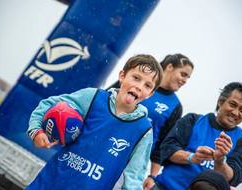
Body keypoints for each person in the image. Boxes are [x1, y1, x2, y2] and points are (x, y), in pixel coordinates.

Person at [26, 54, 163, 190]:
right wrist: (36, 131)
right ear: (122, 75)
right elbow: (48, 105)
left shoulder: (143, 130)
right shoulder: (93, 97)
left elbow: (134, 177)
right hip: (48, 184)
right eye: (136, 78)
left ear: (150, 94)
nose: (139, 86)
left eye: (147, 85)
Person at [108, 54, 194, 189]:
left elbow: (163, 143)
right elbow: (105, 100)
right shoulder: (134, 81)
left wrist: (152, 175)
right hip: (107, 142)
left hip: (133, 160)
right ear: (170, 67)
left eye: (187, 78)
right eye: (183, 74)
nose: (184, 80)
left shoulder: (175, 106)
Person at [150, 82, 242, 190]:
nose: (235, 112)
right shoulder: (192, 120)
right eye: (232, 104)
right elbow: (167, 150)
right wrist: (193, 157)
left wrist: (220, 160)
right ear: (220, 101)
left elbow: (232, 179)